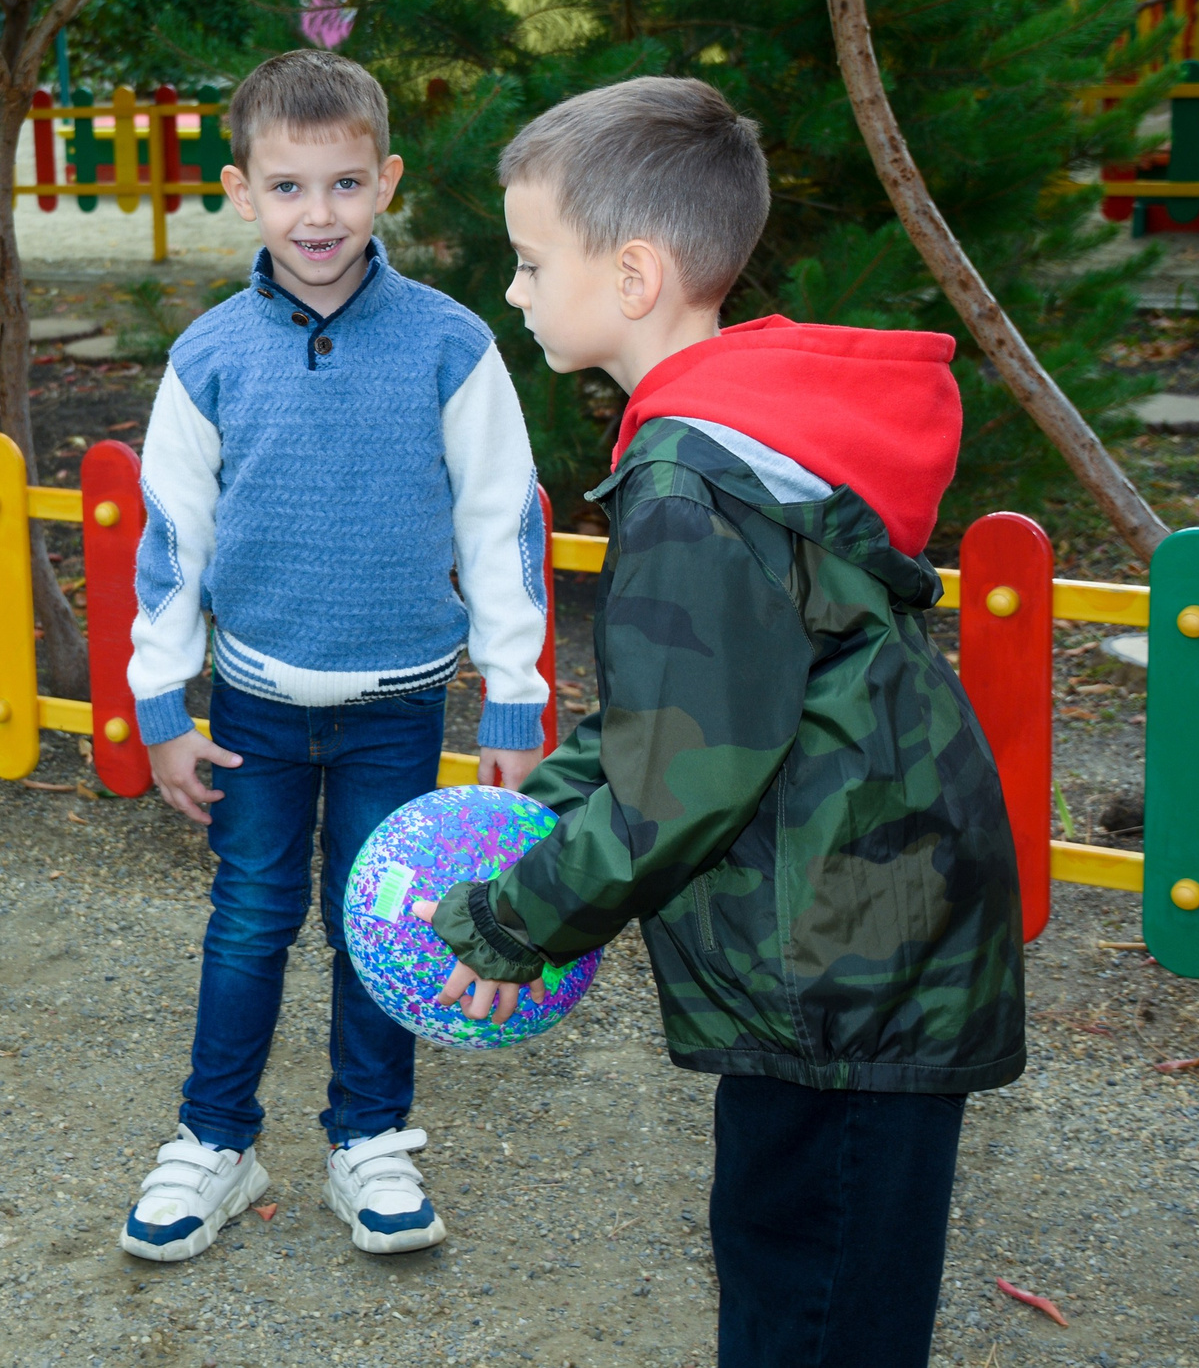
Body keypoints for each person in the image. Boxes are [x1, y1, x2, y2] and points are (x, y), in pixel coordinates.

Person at [415, 76, 1025, 1368]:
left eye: (531, 263)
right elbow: (681, 708)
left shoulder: (692, 475)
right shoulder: (732, 436)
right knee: (796, 1255)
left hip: (848, 963)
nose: (514, 293)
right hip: (853, 927)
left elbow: (683, 771)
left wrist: (512, 917)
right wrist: (546, 805)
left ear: (633, 274)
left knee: (811, 1295)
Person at [120, 48, 552, 1263]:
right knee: (251, 919)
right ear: (242, 191)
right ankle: (214, 1140)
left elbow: (501, 518)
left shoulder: (448, 343)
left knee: (384, 923)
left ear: (388, 183)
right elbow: (171, 540)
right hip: (254, 704)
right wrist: (161, 703)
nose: (320, 215)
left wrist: (512, 705)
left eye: (347, 185)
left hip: (398, 705)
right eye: (290, 187)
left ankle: (370, 1141)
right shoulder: (208, 354)